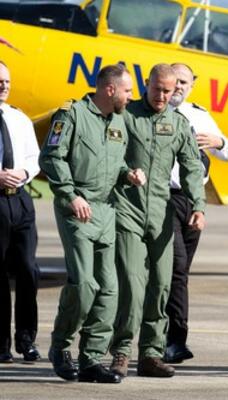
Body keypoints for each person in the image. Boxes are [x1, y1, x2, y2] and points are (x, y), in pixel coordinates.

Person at [39, 64, 146, 383]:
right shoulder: (71, 115)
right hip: (77, 209)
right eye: (127, 90)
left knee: (109, 289)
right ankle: (61, 346)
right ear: (110, 90)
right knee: (85, 284)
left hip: (106, 212)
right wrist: (71, 195)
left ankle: (91, 359)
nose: (131, 96)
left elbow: (116, 161)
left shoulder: (118, 120)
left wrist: (129, 175)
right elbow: (52, 157)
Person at [109, 64, 206, 378]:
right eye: (157, 89)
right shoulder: (126, 115)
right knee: (133, 284)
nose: (162, 96)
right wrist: (125, 173)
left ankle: (151, 354)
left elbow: (192, 166)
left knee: (162, 285)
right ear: (146, 84)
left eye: (168, 90)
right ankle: (122, 351)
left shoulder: (178, 124)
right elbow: (108, 154)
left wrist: (198, 205)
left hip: (161, 214)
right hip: (128, 210)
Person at [163, 63, 228, 364]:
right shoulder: (155, 112)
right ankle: (175, 340)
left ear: (192, 85)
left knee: (179, 272)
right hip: (163, 199)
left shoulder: (200, 115)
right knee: (176, 268)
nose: (179, 87)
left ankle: (165, 335)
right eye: (175, 81)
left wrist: (218, 142)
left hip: (193, 202)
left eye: (184, 82)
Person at [0, 61, 41, 364]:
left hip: (21, 200)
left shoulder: (19, 118)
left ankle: (26, 339)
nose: (4, 86)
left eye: (6, 82)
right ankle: (1, 344)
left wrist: (24, 172)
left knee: (28, 269)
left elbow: (35, 157)